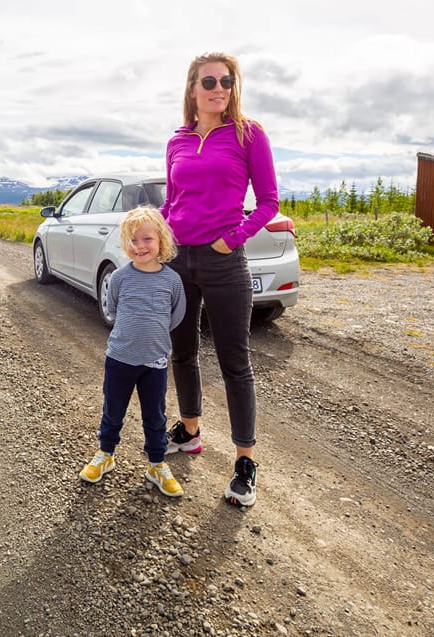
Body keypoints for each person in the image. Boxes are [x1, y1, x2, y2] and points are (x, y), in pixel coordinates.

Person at [159, 52, 280, 508]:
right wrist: (159, 233)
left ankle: (245, 461)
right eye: (208, 81)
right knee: (183, 352)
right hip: (178, 261)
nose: (218, 88)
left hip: (224, 262)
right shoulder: (178, 140)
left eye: (226, 81)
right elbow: (173, 202)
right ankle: (190, 431)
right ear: (192, 88)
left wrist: (232, 240)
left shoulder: (250, 135)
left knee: (235, 361)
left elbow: (268, 202)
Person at [79, 206, 187, 497]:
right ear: (125, 244)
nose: (140, 246)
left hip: (155, 363)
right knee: (113, 412)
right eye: (133, 241)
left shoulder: (172, 281)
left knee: (156, 417)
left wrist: (154, 338)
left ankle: (156, 464)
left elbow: (176, 316)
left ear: (161, 240)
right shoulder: (120, 278)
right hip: (120, 360)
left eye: (147, 239)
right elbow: (112, 309)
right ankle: (106, 455)